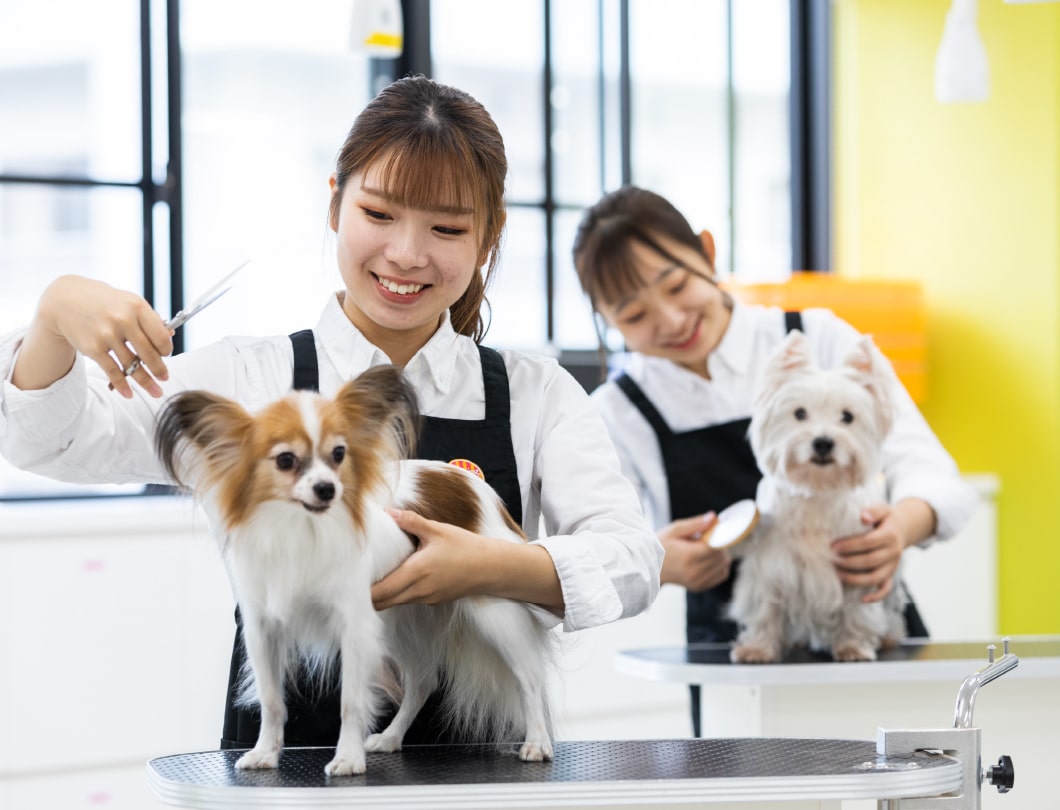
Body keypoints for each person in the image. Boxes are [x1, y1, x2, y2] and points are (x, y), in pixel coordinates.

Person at [0, 78, 663, 749]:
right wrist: (54, 316)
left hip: (489, 772)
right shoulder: (247, 379)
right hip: (287, 774)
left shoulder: (535, 394)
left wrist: (490, 566)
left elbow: (633, 558)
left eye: (447, 227)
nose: (406, 253)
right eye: (378, 214)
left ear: (489, 236)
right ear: (334, 204)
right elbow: (56, 443)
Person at [571, 185, 979, 735]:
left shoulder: (817, 335)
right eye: (635, 313)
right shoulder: (618, 412)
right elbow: (596, 551)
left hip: (864, 635)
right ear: (605, 318)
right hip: (736, 658)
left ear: (708, 254)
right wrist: (658, 562)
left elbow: (935, 475)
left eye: (677, 285)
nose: (670, 320)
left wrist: (902, 527)